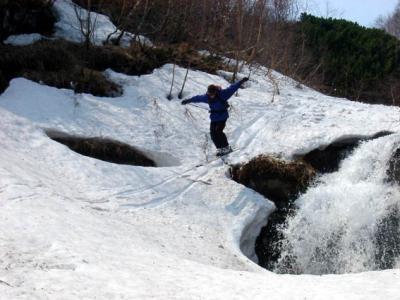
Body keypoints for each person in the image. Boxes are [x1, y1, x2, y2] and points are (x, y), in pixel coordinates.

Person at [181, 77, 249, 156]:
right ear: (208, 92)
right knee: (213, 133)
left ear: (216, 92)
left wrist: (241, 81)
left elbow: (233, 87)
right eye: (210, 94)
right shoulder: (206, 97)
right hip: (214, 117)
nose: (211, 96)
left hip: (223, 116)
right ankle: (220, 149)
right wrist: (187, 100)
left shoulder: (223, 94)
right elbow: (197, 98)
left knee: (218, 131)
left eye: (213, 94)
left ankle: (226, 148)